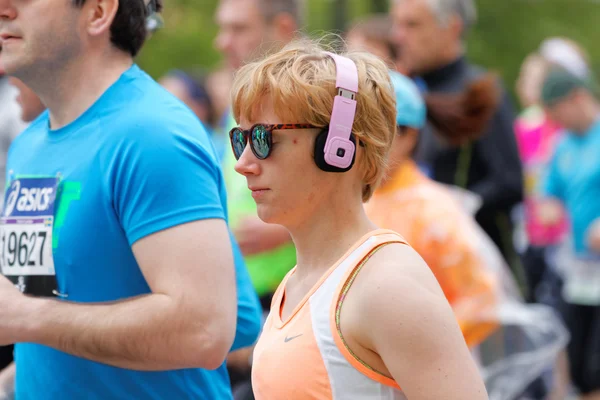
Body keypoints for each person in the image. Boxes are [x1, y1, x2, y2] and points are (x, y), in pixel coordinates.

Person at [0, 0, 261, 399]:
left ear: (98, 12)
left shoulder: (152, 135)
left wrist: (28, 318)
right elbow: (55, 304)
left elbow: (205, 330)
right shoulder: (29, 145)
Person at [230, 38, 488, 399]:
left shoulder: (386, 285)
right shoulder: (299, 281)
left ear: (338, 148)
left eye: (262, 138)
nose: (243, 163)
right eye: (239, 138)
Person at [367, 70, 570, 400]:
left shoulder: (434, 210)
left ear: (408, 136)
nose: (360, 145)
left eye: (374, 133)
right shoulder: (357, 200)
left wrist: (409, 351)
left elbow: (482, 300)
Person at [390, 0, 524, 276]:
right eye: (397, 23)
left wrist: (448, 211)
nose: (398, 36)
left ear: (451, 27)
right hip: (413, 268)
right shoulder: (404, 90)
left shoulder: (479, 90)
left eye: (412, 24)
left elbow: (509, 182)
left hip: (475, 276)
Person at [540, 67, 600, 400]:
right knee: (574, 357)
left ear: (577, 98)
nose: (554, 120)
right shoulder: (562, 145)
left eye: (556, 111)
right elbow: (551, 192)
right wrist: (549, 208)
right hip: (578, 269)